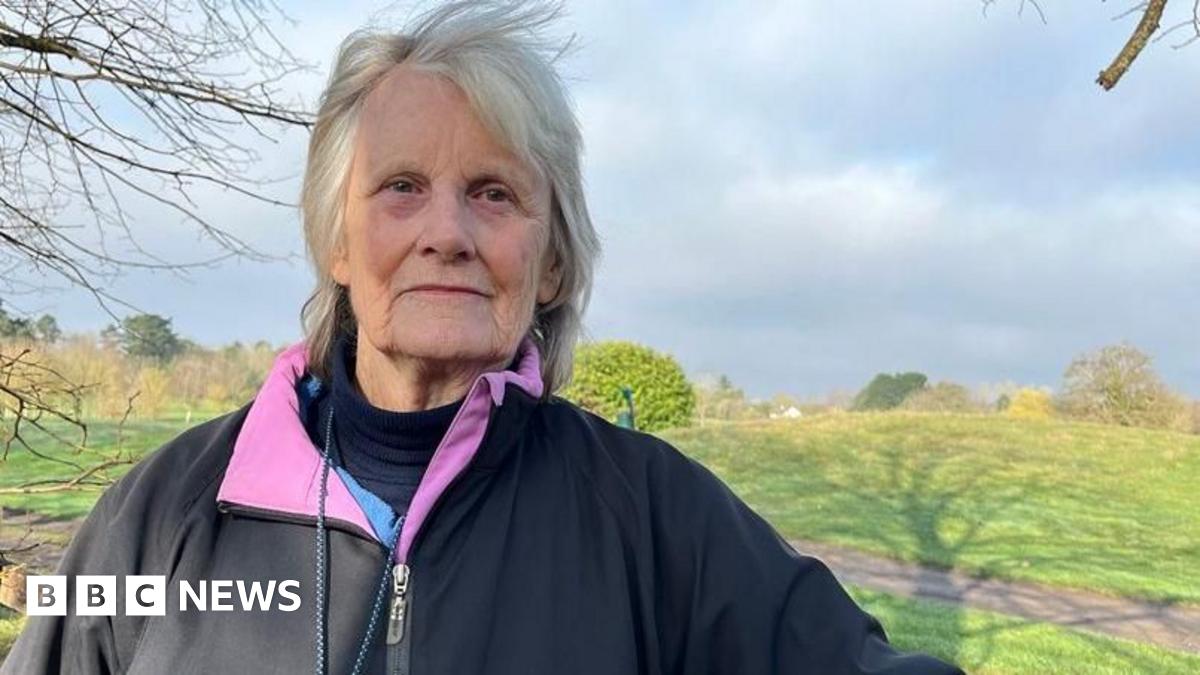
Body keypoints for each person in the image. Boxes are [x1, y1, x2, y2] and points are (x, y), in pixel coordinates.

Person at [3, 2, 964, 673]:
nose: (447, 232)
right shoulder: (158, 513)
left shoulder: (656, 520)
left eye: (494, 193)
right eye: (401, 187)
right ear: (338, 242)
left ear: (551, 263)